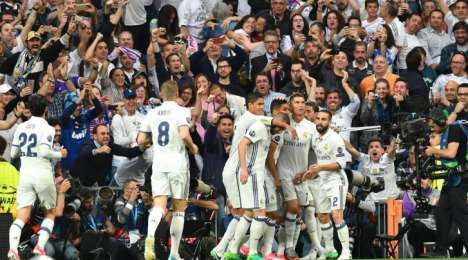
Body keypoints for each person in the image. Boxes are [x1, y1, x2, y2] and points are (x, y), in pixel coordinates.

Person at [137, 80, 199, 260]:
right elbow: (184, 134)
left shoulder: (152, 112)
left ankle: (149, 237)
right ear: (177, 93)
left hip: (159, 164)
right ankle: (174, 253)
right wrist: (192, 146)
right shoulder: (182, 111)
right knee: (179, 209)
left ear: (162, 95)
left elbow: (140, 140)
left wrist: (152, 140)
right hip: (177, 164)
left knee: (159, 205)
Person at [8, 94, 68, 258]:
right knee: (50, 212)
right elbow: (43, 151)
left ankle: (13, 249)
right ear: (46, 109)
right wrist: (59, 153)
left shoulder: (21, 127)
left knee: (22, 215)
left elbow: (13, 153)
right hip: (42, 175)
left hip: (25, 175)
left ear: (30, 109)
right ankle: (40, 247)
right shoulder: (47, 128)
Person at [267, 93, 324, 259]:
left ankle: (284, 249)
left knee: (295, 214)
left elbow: (318, 152)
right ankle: (289, 247)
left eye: (303, 102)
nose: (300, 105)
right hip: (284, 172)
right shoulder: (284, 124)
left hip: (301, 175)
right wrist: (276, 176)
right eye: (297, 102)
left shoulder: (311, 127)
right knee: (293, 209)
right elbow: (271, 152)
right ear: (291, 105)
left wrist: (307, 174)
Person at [234, 112, 289, 260]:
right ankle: (252, 251)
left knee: (253, 213)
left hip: (258, 175)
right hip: (253, 174)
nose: (279, 132)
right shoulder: (260, 126)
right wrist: (244, 168)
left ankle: (237, 249)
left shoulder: (269, 131)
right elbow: (242, 144)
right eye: (280, 128)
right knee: (260, 212)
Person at [307, 110, 351, 259]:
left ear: (330, 122)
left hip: (336, 180)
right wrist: (312, 171)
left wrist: (320, 168)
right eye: (318, 118)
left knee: (337, 215)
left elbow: (341, 163)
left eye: (324, 119)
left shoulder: (335, 139)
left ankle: (346, 252)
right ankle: (330, 249)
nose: (320, 122)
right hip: (322, 179)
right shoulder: (314, 137)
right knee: (322, 215)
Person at [424, 116, 468, 256]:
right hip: (452, 178)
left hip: (460, 178)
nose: (432, 129)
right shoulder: (453, 129)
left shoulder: (454, 127)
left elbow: (451, 153)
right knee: (442, 214)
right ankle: (440, 251)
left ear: (441, 121)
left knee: (461, 216)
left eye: (432, 126)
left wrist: (433, 151)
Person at [71, 124, 144, 186]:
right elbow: (84, 153)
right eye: (103, 134)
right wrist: (97, 151)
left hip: (99, 184)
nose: (106, 136)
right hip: (81, 184)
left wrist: (143, 147)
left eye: (107, 133)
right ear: (95, 136)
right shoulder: (88, 144)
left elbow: (128, 152)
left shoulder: (110, 145)